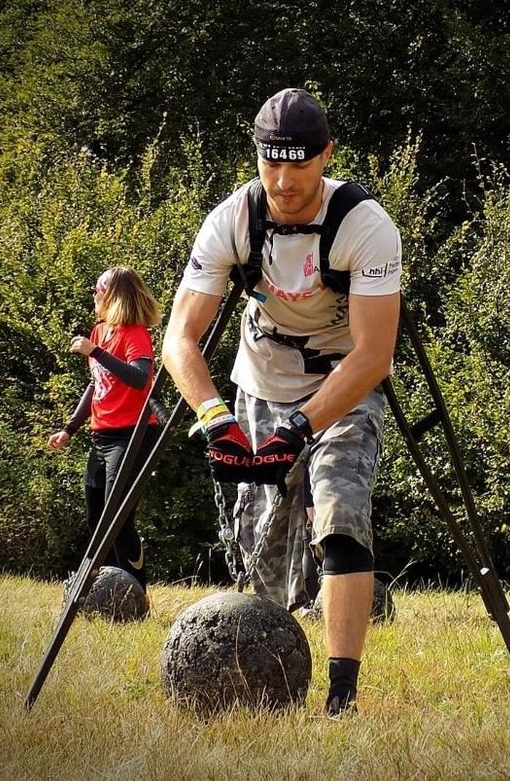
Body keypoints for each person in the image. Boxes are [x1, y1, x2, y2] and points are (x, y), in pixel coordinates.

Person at [162, 88, 402, 715]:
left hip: (343, 383)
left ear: (326, 155)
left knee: (339, 511)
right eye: (272, 162)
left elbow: (375, 355)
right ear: (257, 154)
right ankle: (257, 676)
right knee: (262, 547)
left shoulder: (366, 226)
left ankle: (341, 693)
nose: (284, 179)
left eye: (299, 163)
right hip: (260, 378)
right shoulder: (232, 219)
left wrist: (301, 427)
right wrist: (213, 416)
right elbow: (179, 339)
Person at [47, 266, 163, 595]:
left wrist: (95, 352)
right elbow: (96, 384)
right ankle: (110, 588)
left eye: (98, 291)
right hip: (102, 436)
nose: (94, 297)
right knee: (96, 513)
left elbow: (140, 378)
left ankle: (134, 593)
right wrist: (70, 427)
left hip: (133, 436)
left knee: (118, 516)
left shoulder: (135, 334)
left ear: (112, 295)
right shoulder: (99, 331)